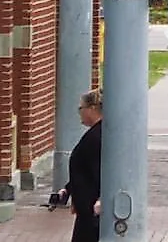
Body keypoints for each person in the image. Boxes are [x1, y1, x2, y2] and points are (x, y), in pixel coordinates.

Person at [64, 89, 103, 242]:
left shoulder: (96, 137)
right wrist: (68, 189)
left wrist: (101, 198)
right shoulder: (97, 133)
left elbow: (98, 170)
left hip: (91, 207)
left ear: (92, 108)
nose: (79, 112)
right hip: (86, 205)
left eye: (81, 108)